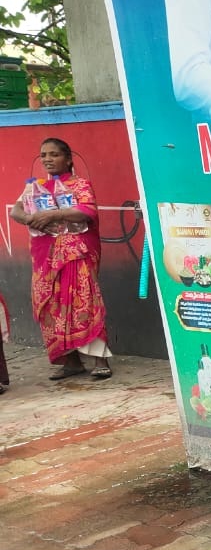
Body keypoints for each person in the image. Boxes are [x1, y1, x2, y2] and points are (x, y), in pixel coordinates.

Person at [8, 139, 113, 381]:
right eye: (44, 155)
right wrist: (31, 220)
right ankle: (71, 362)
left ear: (68, 159)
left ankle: (100, 360)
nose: (47, 159)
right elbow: (16, 211)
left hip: (76, 254)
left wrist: (54, 214)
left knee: (83, 302)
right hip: (45, 256)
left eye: (54, 154)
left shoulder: (79, 185)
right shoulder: (36, 187)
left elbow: (87, 212)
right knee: (51, 306)